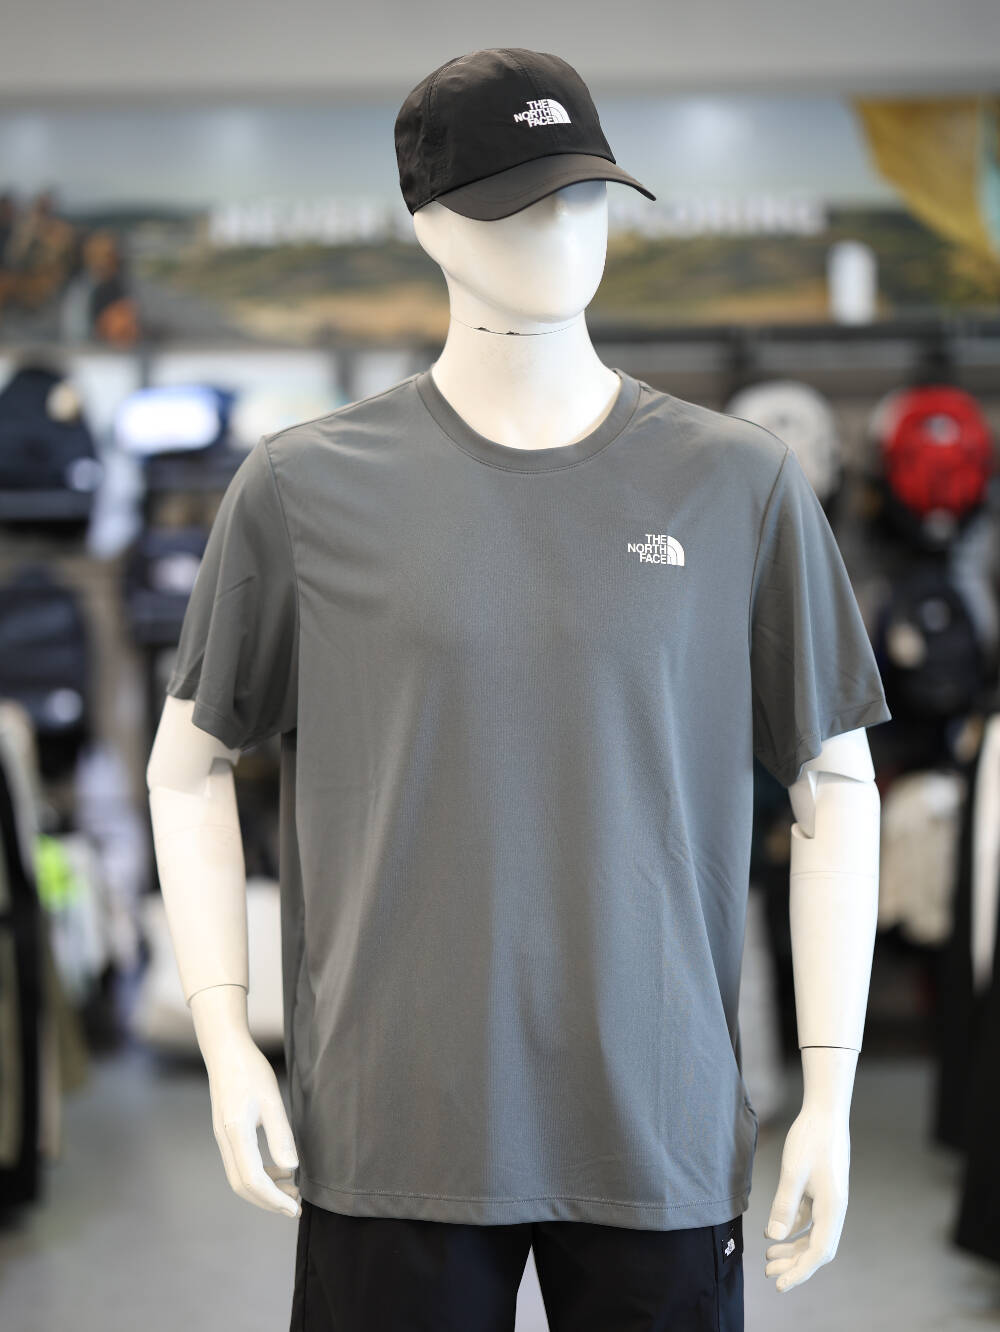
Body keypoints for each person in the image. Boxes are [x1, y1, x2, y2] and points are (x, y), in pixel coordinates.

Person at [147, 49, 892, 1331]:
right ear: (429, 223)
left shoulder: (738, 485)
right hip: (396, 1121)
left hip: (653, 1121)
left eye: (584, 193)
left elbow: (838, 785)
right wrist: (227, 1044)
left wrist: (830, 1093)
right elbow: (185, 767)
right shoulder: (303, 488)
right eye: (519, 201)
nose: (563, 230)